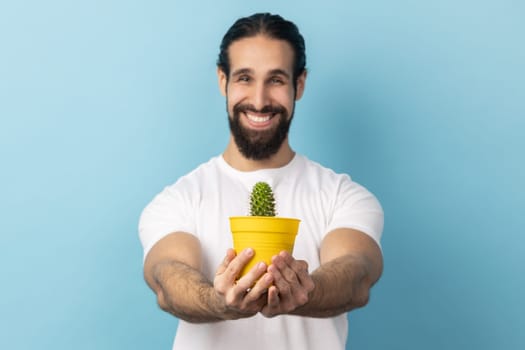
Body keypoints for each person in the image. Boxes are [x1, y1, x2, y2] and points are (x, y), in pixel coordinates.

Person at [139, 12, 384, 350]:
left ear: (299, 85)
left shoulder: (343, 196)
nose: (258, 100)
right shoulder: (178, 200)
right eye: (244, 78)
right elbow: (167, 279)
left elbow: (357, 276)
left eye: (276, 80)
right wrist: (218, 302)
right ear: (223, 81)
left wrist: (303, 291)